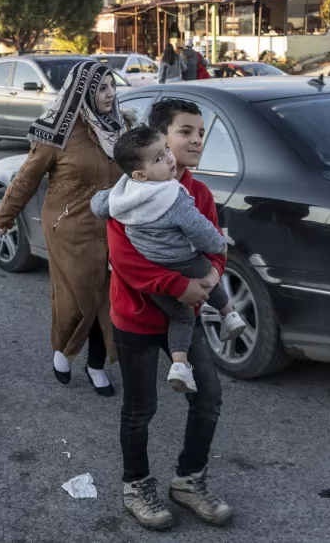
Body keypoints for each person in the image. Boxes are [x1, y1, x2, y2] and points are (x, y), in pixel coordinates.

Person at [105, 99, 232, 531]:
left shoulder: (198, 193)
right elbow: (125, 260)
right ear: (161, 138)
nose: (197, 139)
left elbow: (216, 244)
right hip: (137, 317)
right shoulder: (129, 193)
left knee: (209, 396)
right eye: (185, 132)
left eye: (201, 132)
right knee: (141, 408)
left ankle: (189, 481)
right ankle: (136, 485)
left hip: (187, 315)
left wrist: (211, 277)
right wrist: (182, 286)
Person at [0, 60, 124, 396]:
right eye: (101, 88)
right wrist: (4, 217)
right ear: (83, 91)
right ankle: (63, 350)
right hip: (69, 230)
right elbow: (26, 179)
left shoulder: (118, 129)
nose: (109, 94)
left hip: (112, 230)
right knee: (78, 300)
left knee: (107, 300)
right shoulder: (57, 130)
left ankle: (96, 365)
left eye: (112, 86)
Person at [91, 126, 246, 394]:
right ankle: (229, 315)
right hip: (184, 262)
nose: (169, 157)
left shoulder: (122, 197)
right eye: (159, 158)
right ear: (140, 174)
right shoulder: (172, 197)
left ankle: (179, 365)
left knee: (181, 317)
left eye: (165, 150)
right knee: (206, 279)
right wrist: (220, 247)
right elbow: (202, 231)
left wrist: (98, 198)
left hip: (157, 272)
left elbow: (98, 204)